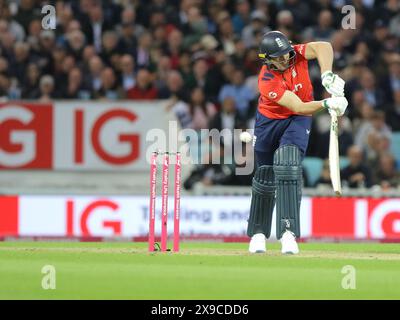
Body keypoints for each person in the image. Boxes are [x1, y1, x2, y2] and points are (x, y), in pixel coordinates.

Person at [247, 31, 348, 254]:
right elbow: (299, 105)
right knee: (265, 174)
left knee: (289, 165)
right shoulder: (267, 80)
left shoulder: (295, 54)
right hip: (270, 122)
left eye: (286, 54)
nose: (285, 59)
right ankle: (258, 233)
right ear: (267, 59)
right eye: (279, 57)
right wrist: (327, 104)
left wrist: (327, 75)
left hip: (297, 121)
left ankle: (288, 233)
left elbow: (323, 46)